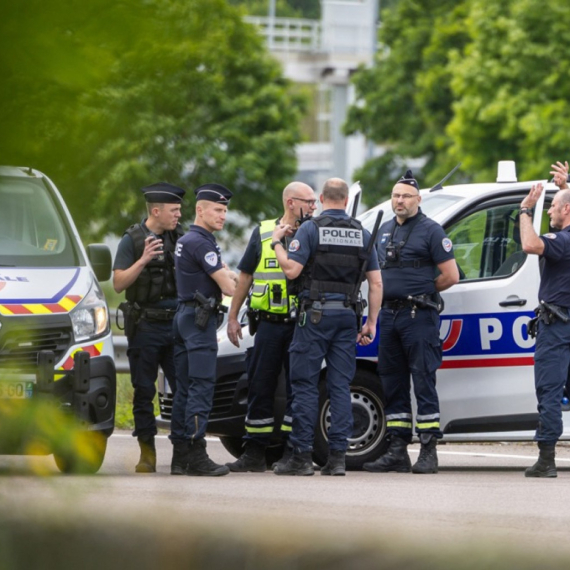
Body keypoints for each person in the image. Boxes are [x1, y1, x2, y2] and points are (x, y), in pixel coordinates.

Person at [270, 178, 382, 476]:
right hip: (347, 317)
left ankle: (302, 457)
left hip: (315, 317)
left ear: (321, 199)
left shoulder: (310, 229)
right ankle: (337, 460)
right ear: (346, 200)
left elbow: (292, 269)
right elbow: (376, 282)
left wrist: (276, 244)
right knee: (340, 386)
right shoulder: (362, 233)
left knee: (305, 386)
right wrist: (370, 322)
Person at [363, 170, 459, 475]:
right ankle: (397, 450)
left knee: (423, 381)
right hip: (389, 317)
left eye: (405, 196)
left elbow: (451, 275)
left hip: (419, 316)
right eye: (395, 195)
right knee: (393, 384)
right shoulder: (383, 230)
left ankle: (429, 450)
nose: (399, 200)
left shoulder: (432, 231)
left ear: (418, 199)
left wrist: (422, 292)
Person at [225, 182, 318, 472]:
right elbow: (245, 276)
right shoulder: (264, 232)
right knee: (259, 385)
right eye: (309, 201)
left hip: (301, 324)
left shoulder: (314, 232)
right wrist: (232, 315)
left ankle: (292, 452)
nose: (314, 207)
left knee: (298, 389)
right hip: (267, 324)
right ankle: (254, 453)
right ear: (291, 203)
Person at [113, 182, 185, 473]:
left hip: (177, 325)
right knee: (144, 391)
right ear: (156, 210)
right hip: (145, 326)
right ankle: (147, 454)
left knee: (183, 388)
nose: (179, 215)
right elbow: (118, 283)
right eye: (174, 210)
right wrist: (143, 259)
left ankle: (181, 453)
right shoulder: (132, 239)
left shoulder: (181, 237)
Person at [169, 183, 238, 477]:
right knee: (201, 386)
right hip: (199, 322)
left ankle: (179, 457)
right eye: (218, 210)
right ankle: (196, 455)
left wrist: (226, 272)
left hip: (185, 317)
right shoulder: (201, 242)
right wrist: (236, 279)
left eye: (225, 211)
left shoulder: (189, 239)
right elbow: (229, 287)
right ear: (201, 210)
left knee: (184, 389)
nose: (223, 216)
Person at [519, 160, 570, 478]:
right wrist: (566, 187)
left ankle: (547, 459)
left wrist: (526, 210)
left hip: (558, 326)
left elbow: (529, 244)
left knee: (549, 391)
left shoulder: (563, 242)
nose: (549, 211)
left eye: (553, 206)